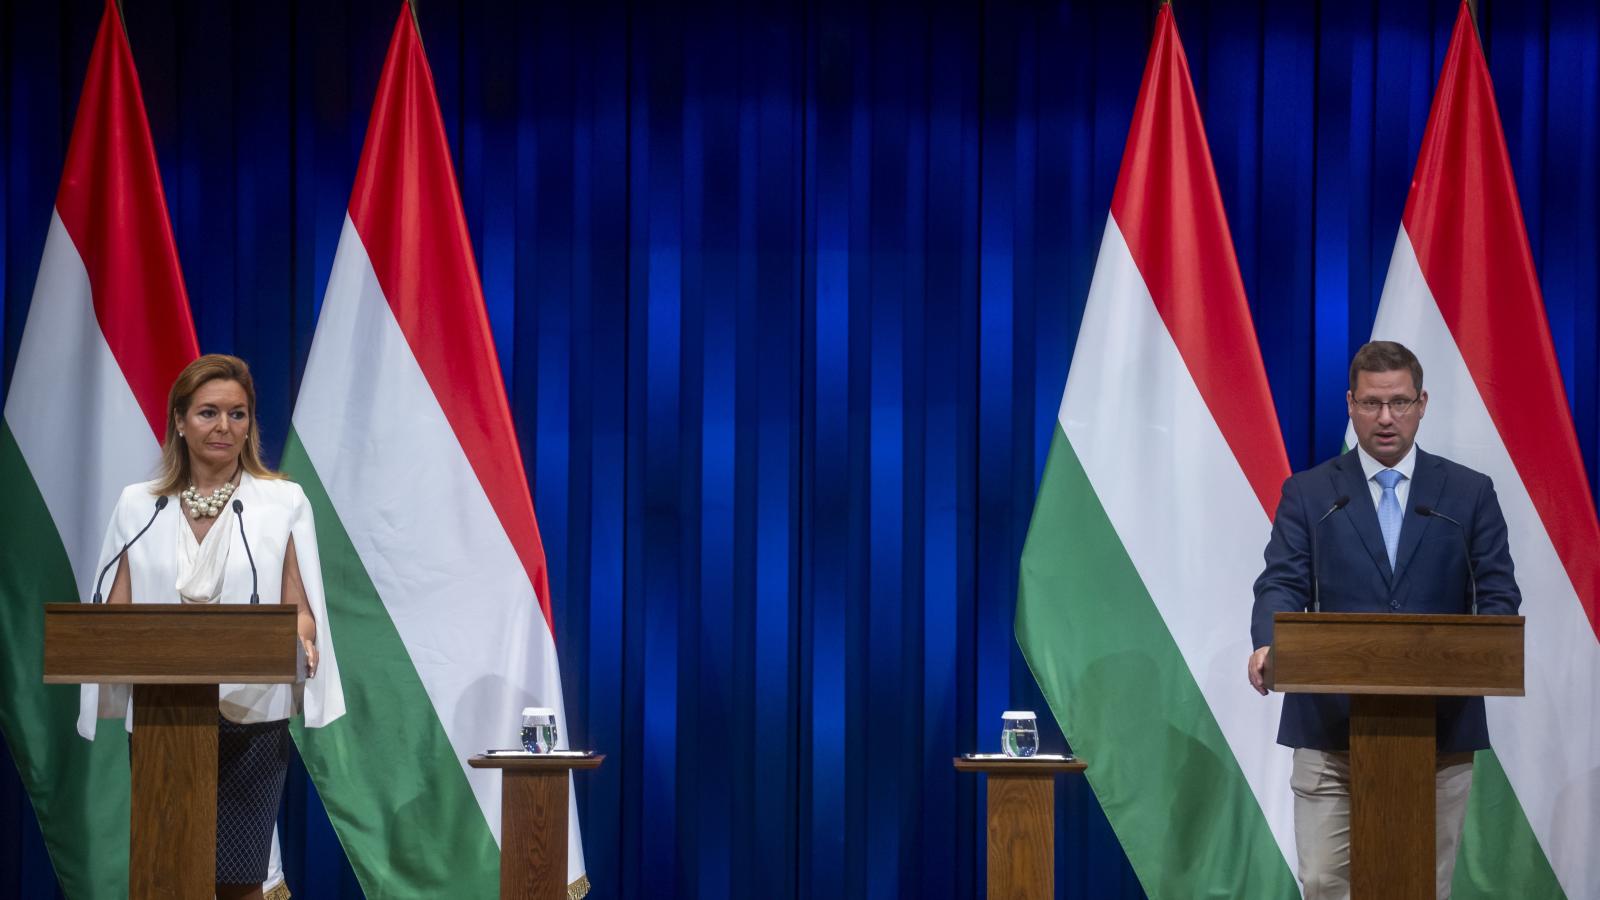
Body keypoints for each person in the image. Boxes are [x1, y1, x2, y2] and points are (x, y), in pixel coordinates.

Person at [1247, 340, 1519, 900]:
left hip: (1439, 731)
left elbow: (1497, 592)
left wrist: (1485, 651)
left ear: (1422, 404)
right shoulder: (1311, 493)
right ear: (1351, 404)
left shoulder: (1468, 493)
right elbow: (1281, 582)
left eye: (1399, 402)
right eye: (1372, 403)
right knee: (1324, 882)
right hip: (1328, 727)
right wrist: (1270, 644)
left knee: (1423, 886)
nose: (1386, 418)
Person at [78, 354, 344, 900]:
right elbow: (114, 610)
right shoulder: (140, 505)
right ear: (179, 421)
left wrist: (303, 641)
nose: (224, 426)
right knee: (166, 869)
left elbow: (298, 605)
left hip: (253, 716)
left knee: (240, 878)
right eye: (208, 413)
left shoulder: (280, 501)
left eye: (237, 414)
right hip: (164, 719)